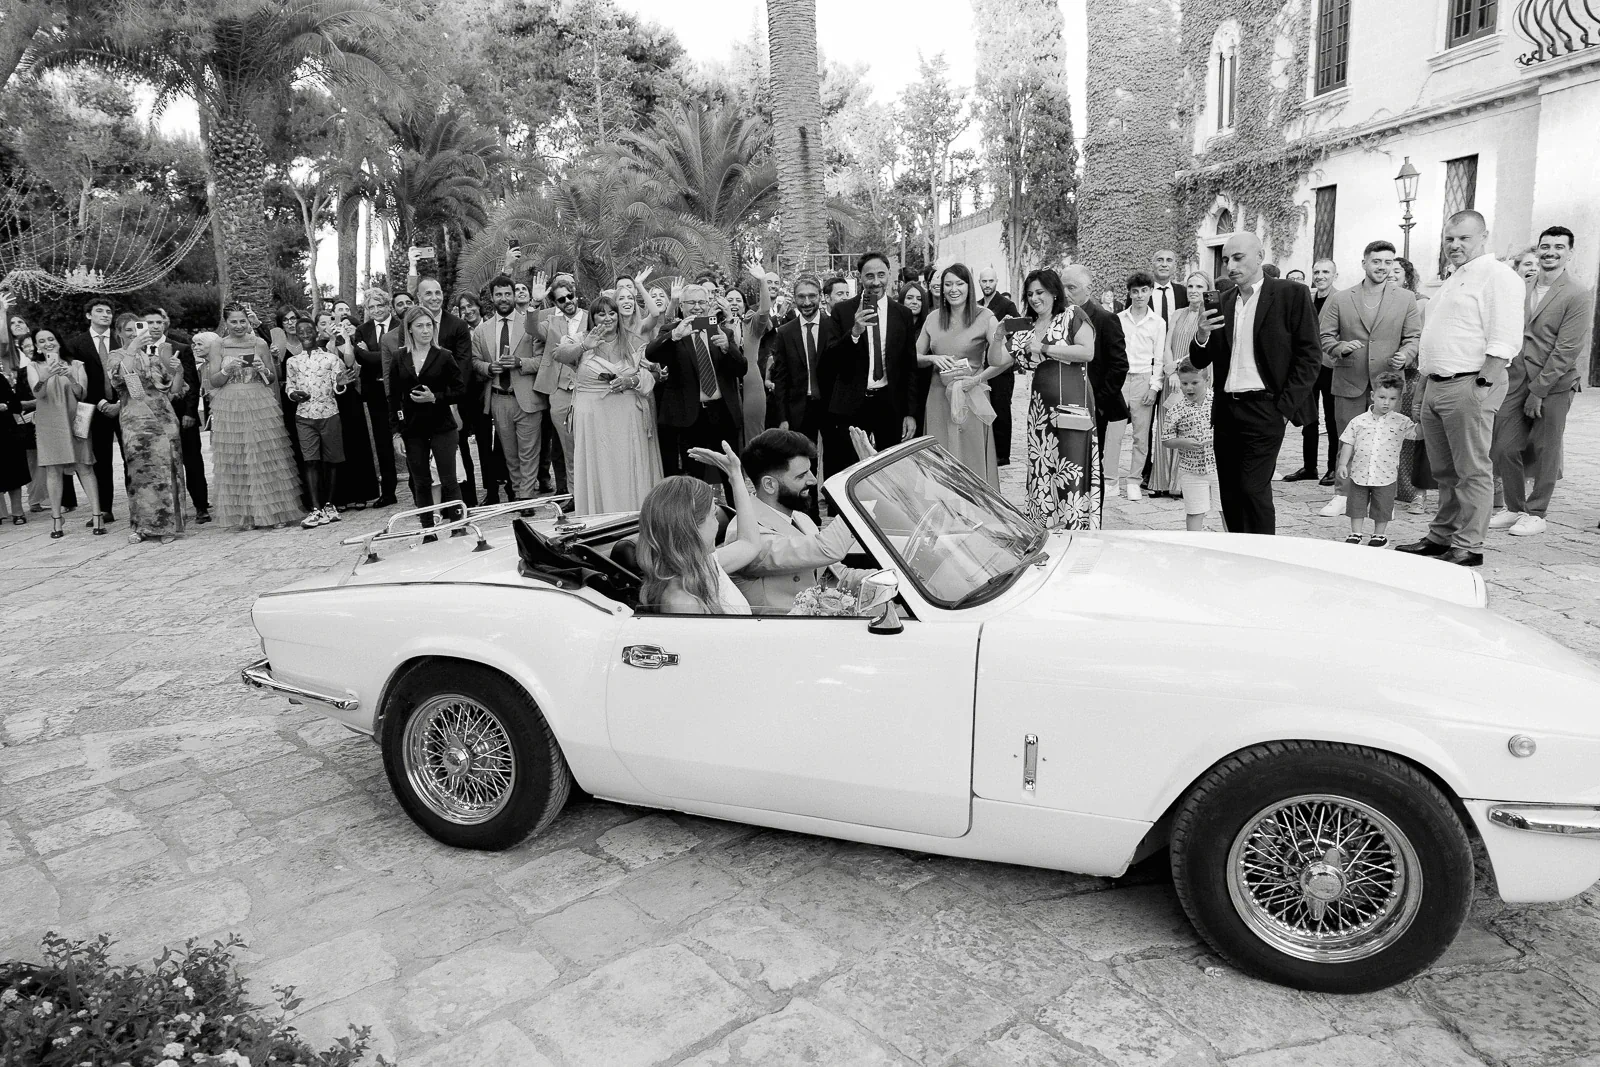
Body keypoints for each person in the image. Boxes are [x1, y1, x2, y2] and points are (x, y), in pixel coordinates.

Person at [1395, 211, 1524, 566]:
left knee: (1472, 470)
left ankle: (1469, 545)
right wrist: (1423, 387)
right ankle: (1442, 536)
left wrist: (1482, 384)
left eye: (1463, 238)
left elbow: (1505, 336)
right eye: (1449, 238)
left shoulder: (1497, 276)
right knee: (1444, 471)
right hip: (1436, 383)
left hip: (1469, 383)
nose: (1454, 245)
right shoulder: (1454, 278)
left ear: (1483, 236)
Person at [1189, 231, 1323, 535]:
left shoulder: (1291, 294)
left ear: (1260, 256)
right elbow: (1199, 360)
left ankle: (1264, 556)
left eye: (1238, 257)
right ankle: (1238, 556)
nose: (1230, 266)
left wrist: (1284, 408)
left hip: (1266, 408)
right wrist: (1201, 333)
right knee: (1231, 494)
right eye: (1225, 260)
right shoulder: (1221, 301)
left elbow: (1310, 356)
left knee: (1253, 489)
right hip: (1225, 411)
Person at [1489, 225, 1591, 538]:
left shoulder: (1577, 293)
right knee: (1505, 446)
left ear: (1569, 253)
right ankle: (1514, 507)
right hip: (1516, 377)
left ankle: (1537, 512)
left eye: (1559, 247)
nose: (1551, 252)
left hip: (1555, 383)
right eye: (1546, 246)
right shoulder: (1522, 285)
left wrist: (1539, 391)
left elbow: (1567, 349)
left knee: (1547, 449)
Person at [1315, 241, 1422, 520]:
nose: (1382, 267)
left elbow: (1414, 338)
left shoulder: (1405, 298)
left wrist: (1405, 355)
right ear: (1364, 263)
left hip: (1388, 382)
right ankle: (1342, 494)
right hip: (1349, 379)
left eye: (1388, 262)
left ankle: (1383, 498)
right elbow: (1325, 336)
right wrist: (1340, 348)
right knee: (1347, 439)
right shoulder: (1341, 298)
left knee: (1386, 441)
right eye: (1376, 261)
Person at [722, 428, 870, 613]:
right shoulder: (745, 533)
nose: (814, 480)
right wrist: (865, 484)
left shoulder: (800, 518)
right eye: (801, 475)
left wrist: (897, 578)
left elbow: (836, 576)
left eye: (809, 471)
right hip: (779, 636)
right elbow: (828, 548)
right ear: (769, 485)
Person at [1011, 268, 1100, 529]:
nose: (1034, 298)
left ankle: (1076, 529)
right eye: (1029, 294)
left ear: (1053, 292)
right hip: (1040, 413)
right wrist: (997, 337)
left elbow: (1087, 352)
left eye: (1040, 292)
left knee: (1071, 468)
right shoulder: (1027, 327)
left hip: (1071, 406)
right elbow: (1000, 361)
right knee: (1042, 469)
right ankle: (1045, 528)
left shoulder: (1072, 314)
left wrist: (1045, 348)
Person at [562, 292, 661, 514]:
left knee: (627, 467)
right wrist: (584, 346)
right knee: (600, 467)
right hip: (593, 418)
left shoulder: (634, 341)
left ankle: (635, 513)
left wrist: (632, 380)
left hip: (628, 416)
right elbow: (560, 355)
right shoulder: (581, 340)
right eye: (601, 314)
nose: (608, 318)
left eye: (612, 313)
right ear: (592, 318)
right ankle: (599, 513)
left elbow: (654, 373)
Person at [820, 252, 918, 473]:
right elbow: (831, 359)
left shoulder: (902, 314)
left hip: (889, 403)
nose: (876, 282)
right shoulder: (843, 311)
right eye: (870, 276)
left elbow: (909, 365)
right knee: (849, 468)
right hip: (852, 404)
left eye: (881, 275)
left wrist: (910, 412)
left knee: (891, 469)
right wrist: (854, 332)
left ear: (889, 276)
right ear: (860, 277)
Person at [205, 309, 302, 529]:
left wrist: (263, 370)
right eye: (234, 322)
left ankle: (276, 513)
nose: (239, 326)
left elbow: (272, 377)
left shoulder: (259, 343)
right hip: (230, 403)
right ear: (226, 322)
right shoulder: (218, 345)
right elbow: (213, 381)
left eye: (243, 321)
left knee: (266, 456)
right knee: (237, 458)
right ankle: (244, 516)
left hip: (259, 400)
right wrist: (227, 369)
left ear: (249, 321)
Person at [637, 442, 761, 615]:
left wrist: (735, 476)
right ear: (692, 528)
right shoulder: (682, 603)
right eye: (714, 515)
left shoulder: (703, 564)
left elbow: (749, 543)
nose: (718, 523)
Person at [916, 263, 1011, 488]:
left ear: (969, 286)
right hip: (939, 396)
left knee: (972, 454)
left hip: (971, 396)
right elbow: (914, 356)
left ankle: (975, 510)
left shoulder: (986, 316)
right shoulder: (932, 318)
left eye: (959, 283)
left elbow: (1002, 360)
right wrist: (932, 359)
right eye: (947, 284)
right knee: (940, 454)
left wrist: (978, 378)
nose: (953, 289)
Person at [645, 283, 744, 484]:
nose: (697, 307)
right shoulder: (672, 330)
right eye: (691, 302)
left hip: (722, 413)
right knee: (695, 477)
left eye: (702, 302)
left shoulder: (722, 331)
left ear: (709, 305)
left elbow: (741, 369)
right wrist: (674, 336)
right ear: (682, 305)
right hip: (689, 417)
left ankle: (736, 512)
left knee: (730, 476)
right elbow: (652, 354)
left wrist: (727, 348)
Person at [106, 312, 187, 544]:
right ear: (119, 333)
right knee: (139, 474)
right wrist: (132, 349)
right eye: (129, 330)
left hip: (164, 419)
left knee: (167, 471)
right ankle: (143, 526)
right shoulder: (116, 356)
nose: (135, 333)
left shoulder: (154, 356)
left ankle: (169, 525)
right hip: (135, 422)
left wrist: (178, 370)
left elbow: (173, 389)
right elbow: (118, 378)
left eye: (137, 328)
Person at [390, 306, 464, 537]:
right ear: (410, 329)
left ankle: (458, 529)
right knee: (421, 482)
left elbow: (460, 390)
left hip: (442, 426)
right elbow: (393, 398)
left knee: (449, 479)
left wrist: (436, 398)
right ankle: (428, 533)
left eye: (429, 325)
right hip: (412, 430)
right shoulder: (399, 357)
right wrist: (396, 433)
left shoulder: (444, 356)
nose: (425, 330)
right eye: (419, 326)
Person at [472, 274, 545, 502]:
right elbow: (474, 362)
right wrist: (488, 367)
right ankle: (516, 491)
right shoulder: (482, 330)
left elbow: (543, 360)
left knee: (529, 452)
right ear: (491, 298)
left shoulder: (530, 324)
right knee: (510, 454)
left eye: (507, 294)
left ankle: (526, 497)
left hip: (527, 398)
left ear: (514, 296)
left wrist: (519, 362)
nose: (503, 299)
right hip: (498, 399)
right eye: (498, 295)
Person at [29, 329, 104, 537]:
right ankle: (56, 519)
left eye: (51, 339)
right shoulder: (33, 366)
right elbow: (38, 393)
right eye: (41, 341)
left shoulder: (76, 364)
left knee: (85, 466)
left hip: (74, 420)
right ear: (37, 346)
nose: (47, 343)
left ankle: (97, 515)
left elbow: (82, 393)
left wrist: (70, 376)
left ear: (59, 342)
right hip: (49, 422)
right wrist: (46, 375)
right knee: (53, 470)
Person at [1061, 266, 1130, 491]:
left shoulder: (1105, 319)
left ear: (1088, 289)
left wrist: (1097, 403)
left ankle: (1091, 518)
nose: (1065, 292)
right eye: (1062, 286)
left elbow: (1119, 366)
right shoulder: (1057, 317)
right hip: (1062, 402)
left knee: (1089, 468)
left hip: (1092, 406)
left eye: (1071, 287)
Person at [1336, 372, 1419, 549]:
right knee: (1356, 505)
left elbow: (1417, 434)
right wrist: (1343, 464)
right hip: (1360, 472)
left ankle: (1379, 535)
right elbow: (1348, 442)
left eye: (1392, 399)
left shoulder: (1402, 422)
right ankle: (1355, 533)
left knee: (1382, 506)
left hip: (1385, 474)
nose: (1386, 403)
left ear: (1398, 400)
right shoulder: (1359, 421)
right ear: (1373, 396)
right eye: (1382, 397)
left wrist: (1425, 416)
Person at [142, 309, 210, 524]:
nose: (154, 326)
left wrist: (191, 412)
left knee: (192, 461)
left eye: (159, 322)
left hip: (181, 414)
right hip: (151, 417)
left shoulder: (180, 348)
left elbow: (192, 381)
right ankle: (169, 508)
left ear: (165, 324)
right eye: (150, 322)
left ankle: (201, 506)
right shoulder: (136, 352)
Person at [286, 316, 351, 527]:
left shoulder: (330, 358)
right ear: (297, 334)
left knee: (331, 461)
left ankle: (330, 504)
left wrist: (340, 384)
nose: (305, 334)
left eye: (308, 330)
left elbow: (338, 386)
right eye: (300, 331)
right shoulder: (293, 362)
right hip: (304, 417)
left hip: (329, 414)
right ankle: (315, 508)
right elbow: (289, 386)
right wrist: (294, 395)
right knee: (310, 461)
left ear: (316, 332)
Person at [1153, 271, 1213, 498]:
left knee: (1190, 425)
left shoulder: (1210, 315)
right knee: (1167, 425)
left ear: (1207, 290)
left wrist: (1183, 372)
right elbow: (1166, 345)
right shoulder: (1177, 314)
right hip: (1172, 379)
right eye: (1190, 286)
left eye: (1199, 286)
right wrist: (1171, 372)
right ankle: (1161, 481)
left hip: (1196, 376)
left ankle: (1181, 484)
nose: (1194, 290)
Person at [62, 298, 120, 525]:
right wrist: (101, 403)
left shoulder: (121, 340)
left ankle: (139, 504)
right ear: (88, 315)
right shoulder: (76, 344)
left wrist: (118, 403)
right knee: (101, 459)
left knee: (131, 456)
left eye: (109, 311)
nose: (105, 315)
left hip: (123, 405)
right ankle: (104, 509)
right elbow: (79, 380)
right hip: (94, 410)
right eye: (99, 311)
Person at [1285, 258, 1342, 486]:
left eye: (1326, 272)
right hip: (1307, 367)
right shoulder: (1307, 298)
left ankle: (1333, 468)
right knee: (1308, 418)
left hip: (1330, 365)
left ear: (1334, 275)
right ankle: (1309, 467)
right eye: (1316, 272)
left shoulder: (1341, 298)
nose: (1320, 276)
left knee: (1331, 420)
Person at [313, 311, 377, 511]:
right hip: (327, 400)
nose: (327, 326)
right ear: (317, 327)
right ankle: (339, 496)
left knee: (355, 442)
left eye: (330, 322)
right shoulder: (314, 348)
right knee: (334, 446)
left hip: (349, 398)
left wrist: (343, 340)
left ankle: (362, 493)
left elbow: (350, 364)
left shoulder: (342, 342)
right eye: (322, 323)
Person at [770, 276, 834, 471]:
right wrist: (782, 417)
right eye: (801, 297)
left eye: (812, 296)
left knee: (835, 457)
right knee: (805, 461)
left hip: (831, 406)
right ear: (794, 298)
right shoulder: (785, 333)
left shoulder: (834, 327)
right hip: (799, 408)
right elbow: (780, 378)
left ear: (821, 297)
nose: (806, 302)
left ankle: (832, 501)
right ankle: (810, 501)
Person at [1115, 271, 1167, 500]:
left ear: (1150, 292)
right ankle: (1110, 479)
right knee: (1113, 433)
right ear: (1129, 293)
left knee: (1140, 435)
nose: (1139, 296)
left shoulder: (1158, 322)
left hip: (1144, 378)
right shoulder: (1118, 318)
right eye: (1135, 291)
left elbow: (1160, 358)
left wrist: (1154, 387)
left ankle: (1135, 480)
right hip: (1120, 378)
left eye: (1144, 291)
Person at [534, 274, 585, 494]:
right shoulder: (552, 323)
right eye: (561, 300)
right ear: (555, 304)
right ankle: (575, 494)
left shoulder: (592, 317)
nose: (567, 302)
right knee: (568, 448)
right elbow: (531, 328)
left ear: (576, 296)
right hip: (560, 392)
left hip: (589, 389)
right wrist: (534, 303)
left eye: (570, 296)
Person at [352, 288, 400, 506]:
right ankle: (389, 492)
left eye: (380, 305)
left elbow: (392, 358)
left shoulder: (401, 326)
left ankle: (418, 487)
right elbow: (361, 358)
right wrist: (370, 356)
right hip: (374, 394)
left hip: (398, 391)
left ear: (388, 305)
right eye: (371, 307)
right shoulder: (362, 330)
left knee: (407, 436)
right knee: (382, 443)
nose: (376, 310)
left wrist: (367, 353)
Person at [1391, 257, 1432, 507]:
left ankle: (1416, 491)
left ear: (1407, 276)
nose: (1390, 274)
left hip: (1411, 372)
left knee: (1411, 433)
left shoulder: (1421, 303)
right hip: (1385, 375)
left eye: (1396, 270)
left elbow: (1423, 340)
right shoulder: (1380, 301)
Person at [1161, 362, 1215, 532]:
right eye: (1184, 384)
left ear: (1206, 381)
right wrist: (1183, 442)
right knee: (1194, 511)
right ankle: (1195, 544)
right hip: (1191, 470)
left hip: (1219, 467)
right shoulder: (1175, 409)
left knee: (1227, 510)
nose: (1189, 388)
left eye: (1194, 383)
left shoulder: (1217, 403)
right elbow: (1166, 439)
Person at [976, 266, 1020, 467]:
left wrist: (1004, 348)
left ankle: (1002, 454)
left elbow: (1019, 331)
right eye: (984, 281)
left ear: (996, 282)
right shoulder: (976, 306)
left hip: (1001, 366)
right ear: (979, 283)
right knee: (984, 406)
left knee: (1001, 408)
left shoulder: (1007, 305)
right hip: (981, 366)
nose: (987, 285)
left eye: (990, 281)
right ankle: (986, 449)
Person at [726, 272, 774, 445]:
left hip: (752, 383)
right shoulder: (716, 326)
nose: (734, 304)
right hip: (726, 382)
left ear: (744, 305)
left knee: (754, 434)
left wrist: (762, 281)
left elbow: (765, 310)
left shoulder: (751, 324)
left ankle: (753, 472)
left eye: (738, 300)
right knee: (730, 434)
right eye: (729, 300)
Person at [1149, 250, 1190, 323]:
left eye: (1169, 260)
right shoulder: (1140, 292)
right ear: (1152, 265)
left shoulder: (1183, 292)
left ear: (1174, 266)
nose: (1164, 264)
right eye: (1159, 260)